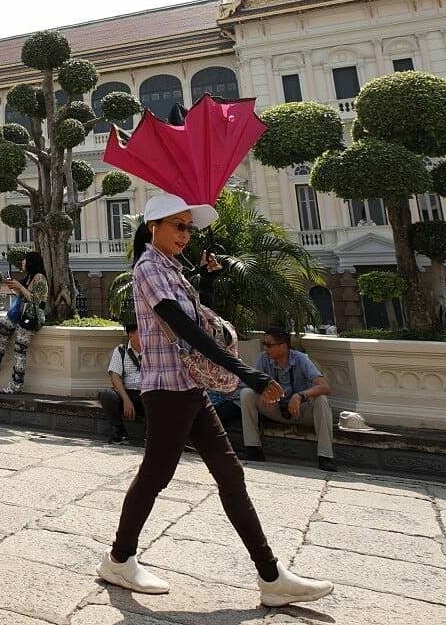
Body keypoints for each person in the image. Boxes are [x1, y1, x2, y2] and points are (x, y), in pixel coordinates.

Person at [97, 193, 333, 608]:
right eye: (178, 226)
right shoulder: (149, 268)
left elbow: (194, 316)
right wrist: (248, 373)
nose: (185, 235)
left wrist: (204, 280)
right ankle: (119, 558)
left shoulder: (173, 270)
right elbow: (184, 329)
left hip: (189, 387)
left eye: (189, 227)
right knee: (156, 476)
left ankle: (270, 575)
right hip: (168, 390)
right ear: (154, 227)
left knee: (229, 473)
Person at [241, 327, 336, 472]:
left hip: (300, 411)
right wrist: (264, 392)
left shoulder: (301, 359)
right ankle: (253, 448)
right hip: (276, 408)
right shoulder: (263, 358)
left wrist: (300, 396)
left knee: (321, 400)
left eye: (269, 345)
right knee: (247, 393)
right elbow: (254, 383)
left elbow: (325, 387)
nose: (265, 348)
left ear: (283, 346)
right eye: (263, 345)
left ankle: (326, 456)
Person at [0, 252, 48, 393]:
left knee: (19, 350)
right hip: (19, 315)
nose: (22, 262)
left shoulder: (40, 277)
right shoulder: (29, 277)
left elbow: (37, 301)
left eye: (25, 259)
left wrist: (20, 287)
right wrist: (14, 287)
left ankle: (16, 385)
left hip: (31, 318)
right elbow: (22, 296)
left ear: (31, 262)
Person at [98, 321, 143, 443]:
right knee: (107, 395)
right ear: (131, 336)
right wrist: (126, 400)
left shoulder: (154, 352)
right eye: (141, 333)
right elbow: (115, 376)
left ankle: (152, 436)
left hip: (146, 393)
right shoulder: (120, 350)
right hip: (128, 392)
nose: (146, 336)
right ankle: (119, 431)